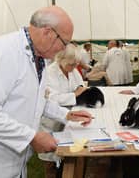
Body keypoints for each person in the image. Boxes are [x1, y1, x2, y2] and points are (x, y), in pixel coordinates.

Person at [0, 6, 93, 178]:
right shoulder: (1, 52)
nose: (63, 49)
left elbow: (36, 100)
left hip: (15, 162)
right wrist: (31, 137)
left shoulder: (38, 57)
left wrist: (66, 115)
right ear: (48, 32)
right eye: (64, 43)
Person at [39, 44, 88, 178]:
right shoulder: (49, 73)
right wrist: (74, 95)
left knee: (67, 156)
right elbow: (51, 98)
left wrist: (78, 89)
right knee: (51, 162)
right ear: (60, 60)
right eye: (71, 64)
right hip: (51, 123)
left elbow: (81, 85)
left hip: (68, 117)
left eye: (75, 64)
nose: (73, 68)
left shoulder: (72, 70)